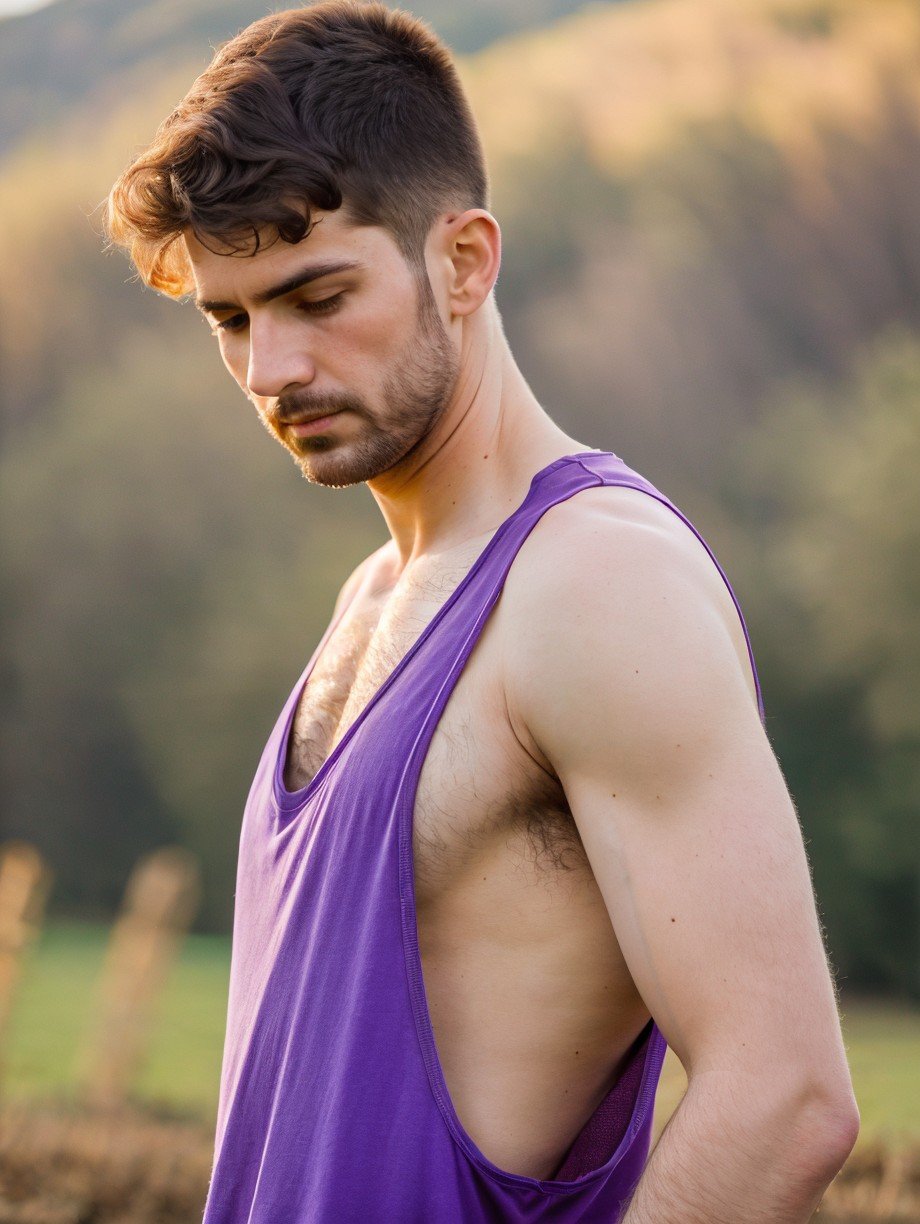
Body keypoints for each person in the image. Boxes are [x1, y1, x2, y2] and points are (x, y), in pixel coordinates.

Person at [104, 3, 859, 1220]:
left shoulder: (595, 586)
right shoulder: (373, 595)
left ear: (461, 261)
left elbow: (785, 1100)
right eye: (230, 319)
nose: (269, 371)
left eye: (314, 295)